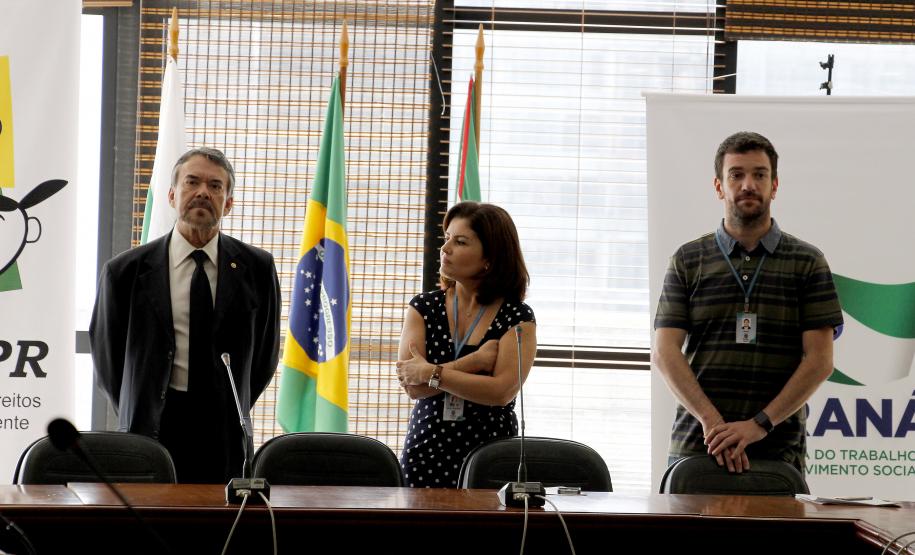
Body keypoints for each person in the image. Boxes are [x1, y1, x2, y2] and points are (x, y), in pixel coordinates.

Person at [653, 131, 843, 475]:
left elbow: (820, 361)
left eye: (759, 174)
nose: (748, 185)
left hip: (777, 448)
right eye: (736, 174)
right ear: (718, 187)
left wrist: (757, 425)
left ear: (775, 185)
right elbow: (665, 353)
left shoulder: (808, 262)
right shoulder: (687, 259)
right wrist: (714, 424)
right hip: (698, 443)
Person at [90, 147, 280, 483]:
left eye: (216, 186)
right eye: (192, 182)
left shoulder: (257, 269)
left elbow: (264, 355)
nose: (203, 192)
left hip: (222, 431)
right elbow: (108, 359)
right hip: (151, 429)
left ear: (229, 203)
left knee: (218, 531)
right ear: (172, 195)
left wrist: (230, 401)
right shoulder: (124, 272)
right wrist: (140, 404)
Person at [395, 201, 537, 488]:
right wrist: (472, 363)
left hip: (490, 456)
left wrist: (430, 372)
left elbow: (501, 391)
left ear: (490, 258)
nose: (445, 248)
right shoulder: (424, 307)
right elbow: (413, 385)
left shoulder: (517, 316)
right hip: (426, 451)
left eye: (460, 241)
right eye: (447, 238)